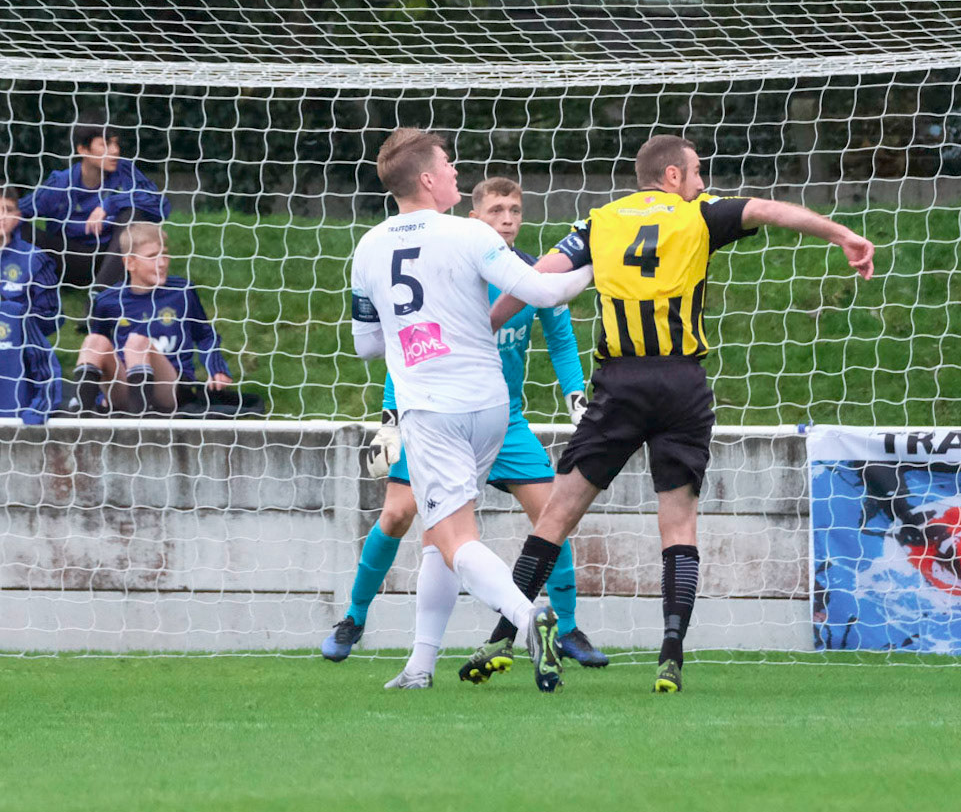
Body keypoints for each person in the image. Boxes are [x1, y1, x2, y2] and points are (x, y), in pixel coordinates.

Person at [494, 134, 875, 694]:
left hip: (620, 384)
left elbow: (536, 280)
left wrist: (486, 325)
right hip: (681, 385)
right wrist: (842, 233)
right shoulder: (699, 214)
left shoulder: (600, 222)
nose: (702, 182)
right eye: (696, 172)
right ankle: (670, 656)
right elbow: (769, 210)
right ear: (672, 176)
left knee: (557, 513)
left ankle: (501, 636)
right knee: (678, 525)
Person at [322, 176, 606, 676]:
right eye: (497, 210)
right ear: (475, 218)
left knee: (553, 514)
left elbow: (561, 341)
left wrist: (576, 398)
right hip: (437, 413)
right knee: (397, 514)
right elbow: (406, 345)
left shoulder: (530, 271)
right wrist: (389, 422)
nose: (508, 219)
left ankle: (564, 626)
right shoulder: (449, 261)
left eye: (515, 210)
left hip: (500, 418)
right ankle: (355, 616)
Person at [72, 223, 231, 415]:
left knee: (137, 343)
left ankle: (140, 424)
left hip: (172, 388)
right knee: (94, 341)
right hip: (126, 386)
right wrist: (101, 396)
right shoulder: (108, 301)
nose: (162, 263)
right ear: (130, 263)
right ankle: (81, 418)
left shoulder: (181, 292)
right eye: (152, 256)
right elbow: (101, 351)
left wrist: (216, 368)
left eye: (164, 254)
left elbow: (205, 335)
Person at [18, 111, 170, 290]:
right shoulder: (60, 183)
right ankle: (19, 285)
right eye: (105, 144)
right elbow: (17, 211)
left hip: (111, 261)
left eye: (116, 143)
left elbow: (161, 205)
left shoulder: (124, 171)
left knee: (132, 213)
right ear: (83, 149)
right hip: (67, 260)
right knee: (16, 226)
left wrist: (111, 204)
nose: (115, 150)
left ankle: (100, 295)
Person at [0, 186, 62, 423]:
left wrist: (17, 322)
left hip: (19, 348)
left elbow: (53, 314)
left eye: (7, 210)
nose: (2, 217)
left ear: (18, 217)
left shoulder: (33, 258)